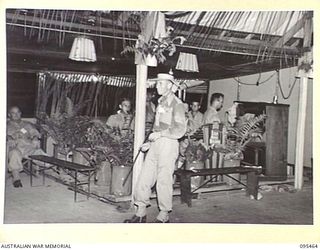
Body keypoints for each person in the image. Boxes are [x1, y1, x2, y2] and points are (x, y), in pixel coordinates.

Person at [124, 73, 187, 223]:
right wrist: (151, 142)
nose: (157, 86)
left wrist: (159, 136)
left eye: (160, 84)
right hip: (157, 144)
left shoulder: (177, 104)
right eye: (157, 83)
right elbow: (157, 127)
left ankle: (164, 215)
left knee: (163, 180)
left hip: (169, 143)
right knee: (145, 177)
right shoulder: (160, 102)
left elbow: (180, 130)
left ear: (170, 86)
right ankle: (141, 212)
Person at [6, 106, 46, 188]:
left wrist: (35, 138)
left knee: (42, 155)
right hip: (15, 148)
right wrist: (8, 137)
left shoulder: (27, 124)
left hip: (28, 147)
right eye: (13, 113)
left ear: (20, 113)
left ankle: (59, 168)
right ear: (9, 115)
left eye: (18, 112)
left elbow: (35, 133)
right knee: (14, 154)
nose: (16, 115)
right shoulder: (5, 125)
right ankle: (16, 179)